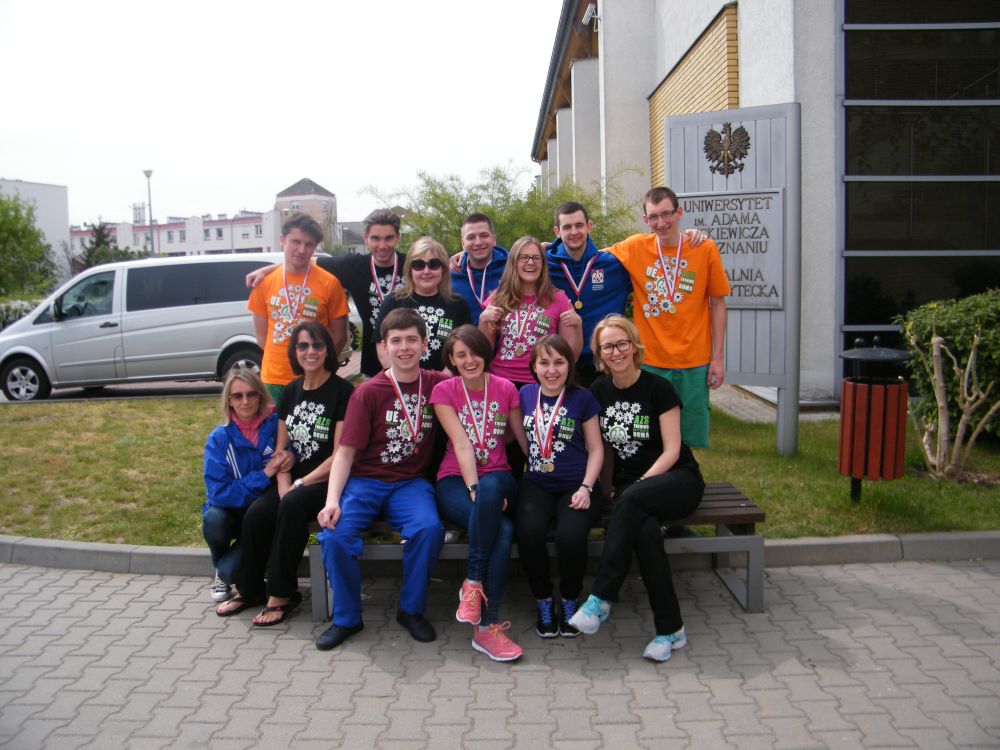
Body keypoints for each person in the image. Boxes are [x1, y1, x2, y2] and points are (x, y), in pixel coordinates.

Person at [569, 315, 705, 662]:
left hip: (676, 478)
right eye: (607, 347)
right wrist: (608, 487)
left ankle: (601, 597)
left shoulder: (659, 388)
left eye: (621, 343)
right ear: (599, 354)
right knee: (645, 534)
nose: (615, 352)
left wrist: (640, 486)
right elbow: (602, 448)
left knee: (632, 500)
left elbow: (672, 450)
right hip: (633, 491)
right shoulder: (598, 391)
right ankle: (671, 630)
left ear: (634, 346)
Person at [315, 308, 449, 650]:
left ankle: (411, 610)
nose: (404, 348)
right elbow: (345, 453)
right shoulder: (368, 392)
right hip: (365, 482)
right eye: (396, 341)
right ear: (384, 347)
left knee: (428, 529)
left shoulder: (437, 383)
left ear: (425, 344)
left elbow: (474, 377)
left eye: (412, 340)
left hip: (410, 483)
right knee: (335, 535)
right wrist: (332, 501)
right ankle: (347, 618)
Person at [215, 321, 353, 626]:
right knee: (258, 513)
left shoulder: (343, 392)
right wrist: (282, 485)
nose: (310, 351)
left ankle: (282, 594)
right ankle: (249, 590)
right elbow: (280, 448)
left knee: (291, 505)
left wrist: (298, 485)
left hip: (328, 480)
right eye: (303, 345)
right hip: (293, 477)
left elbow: (340, 454)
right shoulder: (291, 391)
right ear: (294, 351)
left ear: (327, 350)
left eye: (317, 345)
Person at [430, 325, 528, 661]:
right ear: (452, 360)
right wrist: (474, 488)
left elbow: (520, 437)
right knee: (503, 530)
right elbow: (460, 443)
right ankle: (487, 626)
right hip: (455, 480)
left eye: (474, 352)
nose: (469, 360)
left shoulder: (506, 388)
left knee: (492, 486)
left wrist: (542, 468)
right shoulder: (444, 391)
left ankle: (472, 582)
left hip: (499, 479)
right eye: (461, 355)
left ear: (485, 354)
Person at [606, 187, 730, 448]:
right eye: (653, 217)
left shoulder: (704, 248)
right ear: (645, 219)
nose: (660, 223)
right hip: (649, 361)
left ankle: (684, 475)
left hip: (694, 360)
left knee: (689, 439)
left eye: (666, 214)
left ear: (679, 213)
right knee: (648, 437)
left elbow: (718, 304)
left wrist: (717, 358)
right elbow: (588, 256)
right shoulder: (634, 247)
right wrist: (550, 248)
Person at [515, 334, 604, 638]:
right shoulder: (525, 394)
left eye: (559, 362)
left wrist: (586, 488)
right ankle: (543, 600)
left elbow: (596, 449)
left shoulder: (583, 398)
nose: (551, 370)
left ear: (570, 365)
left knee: (570, 536)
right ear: (534, 367)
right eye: (544, 363)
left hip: (577, 484)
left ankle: (569, 599)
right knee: (528, 533)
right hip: (537, 482)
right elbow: (518, 436)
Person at [247, 209, 406, 380]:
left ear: (398, 237)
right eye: (375, 238)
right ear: (365, 238)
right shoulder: (353, 265)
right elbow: (303, 260)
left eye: (388, 238)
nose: (382, 245)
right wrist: (267, 270)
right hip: (374, 366)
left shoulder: (413, 265)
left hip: (415, 359)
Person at [202, 369, 291, 603]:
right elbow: (219, 493)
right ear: (229, 400)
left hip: (263, 516)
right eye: (237, 396)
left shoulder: (277, 426)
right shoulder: (219, 439)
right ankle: (222, 572)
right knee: (213, 519)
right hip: (232, 513)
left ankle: (231, 570)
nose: (245, 401)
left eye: (251, 394)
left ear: (260, 396)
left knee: (233, 570)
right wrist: (263, 475)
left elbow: (294, 452)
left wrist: (291, 456)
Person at [247, 213, 349, 403]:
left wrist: (321, 369)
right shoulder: (264, 283)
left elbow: (340, 337)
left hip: (314, 380)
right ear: (282, 240)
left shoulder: (329, 283)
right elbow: (262, 338)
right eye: (296, 242)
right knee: (275, 424)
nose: (301, 250)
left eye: (309, 244)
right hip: (274, 379)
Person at [478, 236, 583, 389]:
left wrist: (578, 327)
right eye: (524, 257)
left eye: (536, 258)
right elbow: (483, 352)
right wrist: (483, 320)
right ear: (513, 262)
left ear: (543, 264)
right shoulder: (498, 297)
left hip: (542, 383)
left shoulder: (559, 299)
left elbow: (571, 357)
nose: (530, 262)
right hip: (501, 382)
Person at [546, 201, 632, 386]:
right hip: (562, 363)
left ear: (589, 226)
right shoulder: (544, 265)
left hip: (606, 362)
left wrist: (684, 237)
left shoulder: (614, 264)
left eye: (579, 225)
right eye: (567, 227)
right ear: (557, 231)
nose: (574, 232)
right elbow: (515, 264)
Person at [374, 237, 471, 371]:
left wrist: (442, 381)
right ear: (410, 270)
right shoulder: (393, 302)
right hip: (401, 381)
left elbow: (464, 349)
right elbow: (382, 348)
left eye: (434, 264)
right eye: (418, 265)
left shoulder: (457, 304)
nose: (426, 271)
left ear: (443, 269)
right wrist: (402, 378)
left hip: (444, 381)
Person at [450, 213, 509, 326]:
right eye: (471, 237)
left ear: (494, 239)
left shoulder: (512, 269)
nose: (478, 242)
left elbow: (537, 256)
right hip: (466, 337)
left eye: (484, 235)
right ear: (463, 243)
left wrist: (544, 245)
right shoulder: (452, 276)